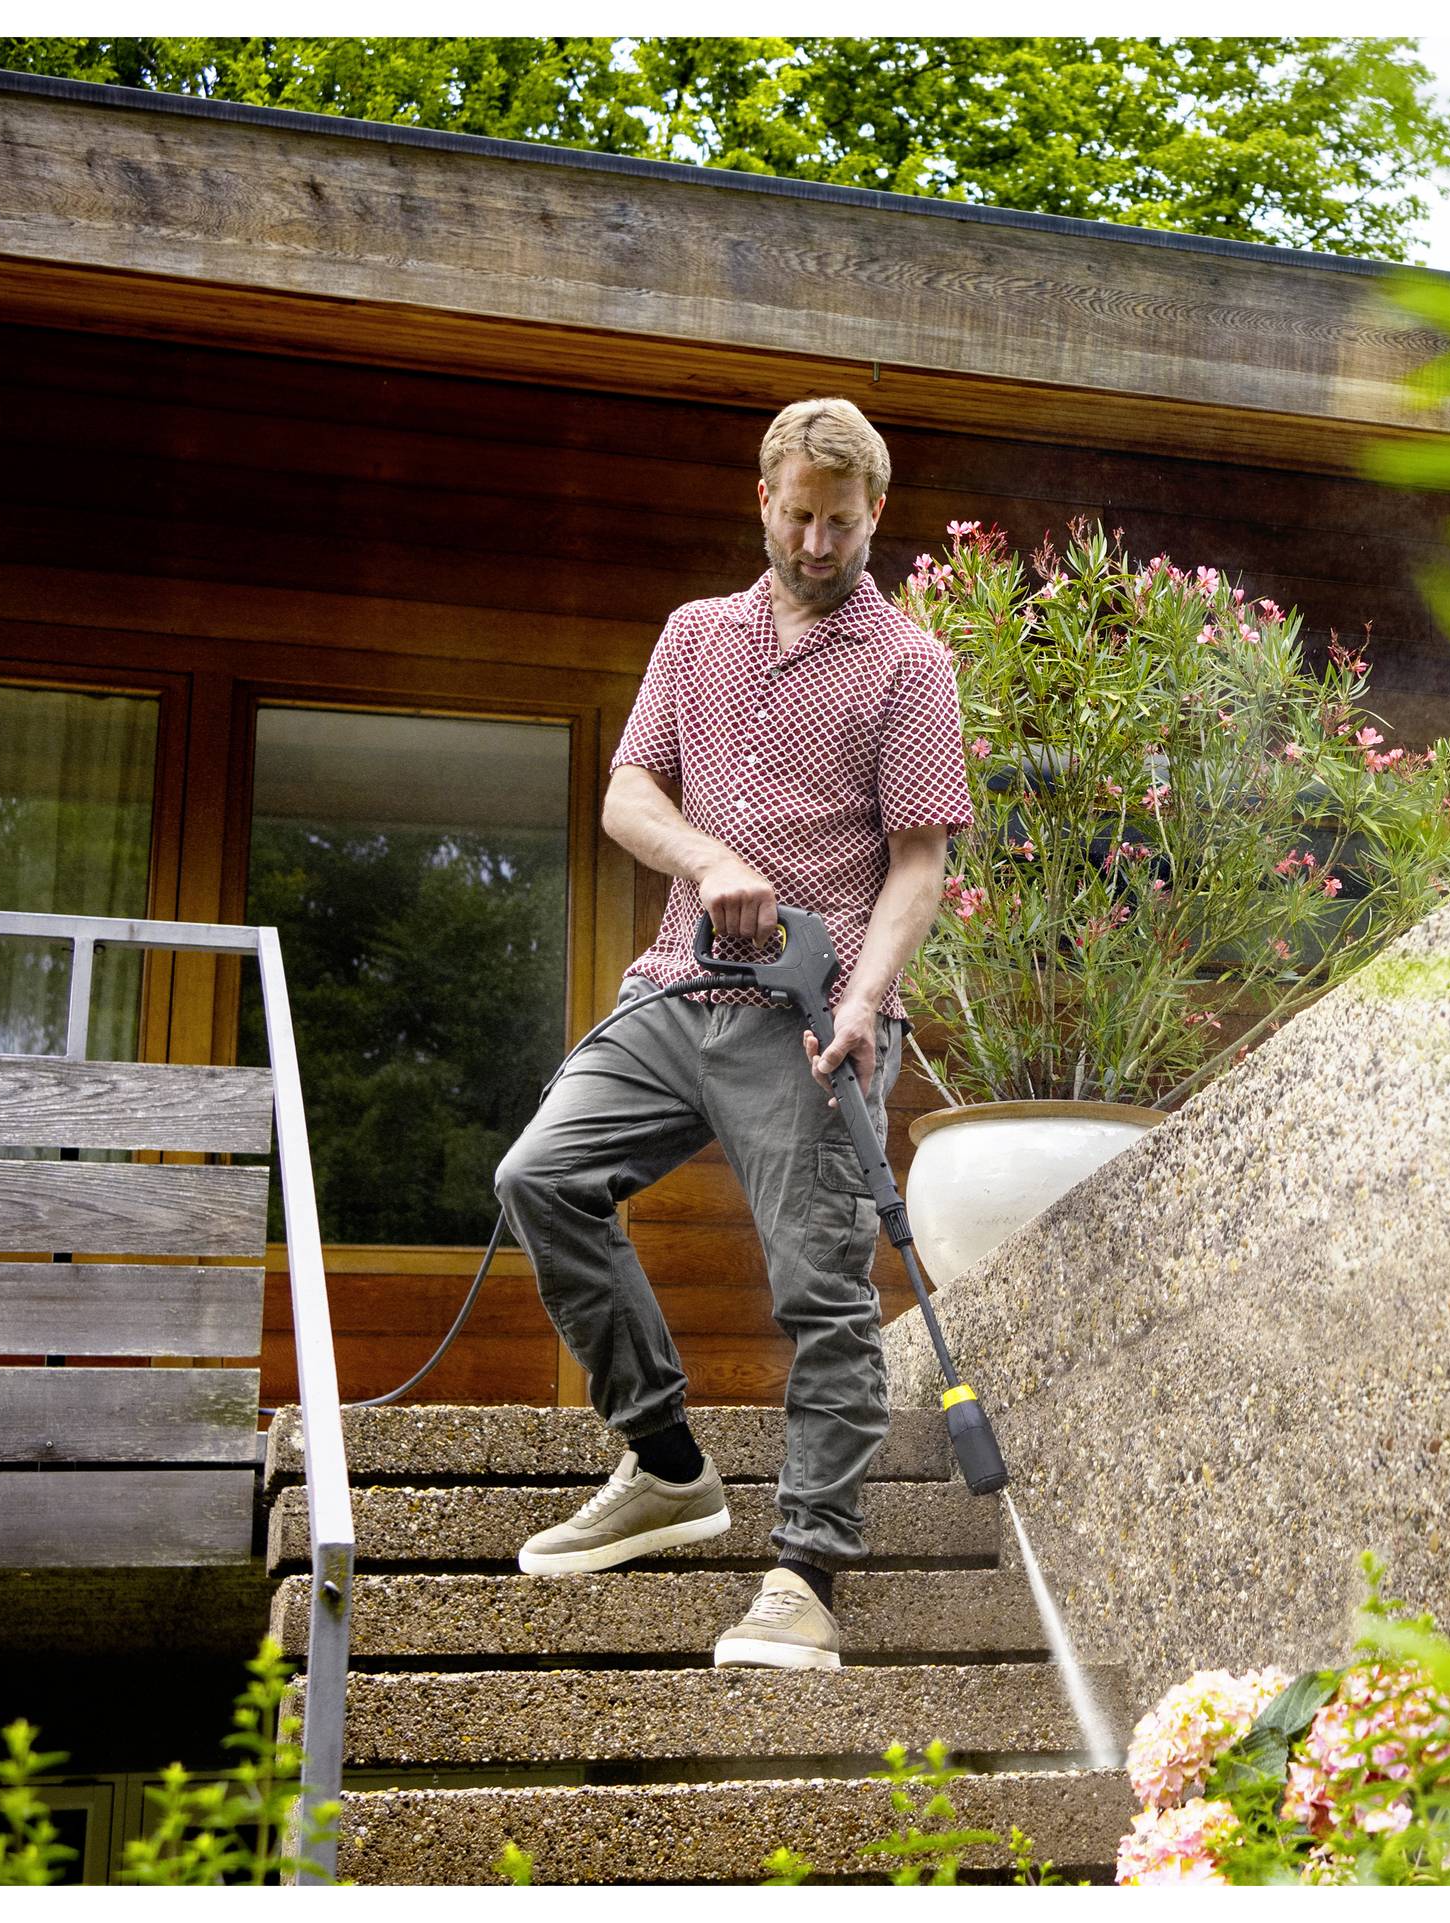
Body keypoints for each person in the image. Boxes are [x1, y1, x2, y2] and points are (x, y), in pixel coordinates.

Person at [493, 397, 971, 1670]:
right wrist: (713, 860)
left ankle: (807, 1575)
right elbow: (627, 793)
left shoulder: (910, 666)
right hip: (674, 991)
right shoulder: (694, 636)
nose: (819, 543)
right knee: (541, 1175)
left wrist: (868, 999)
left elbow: (919, 863)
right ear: (763, 503)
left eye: (844, 523)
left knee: (819, 1295)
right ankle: (663, 1465)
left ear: (878, 518)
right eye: (800, 516)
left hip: (813, 1021)